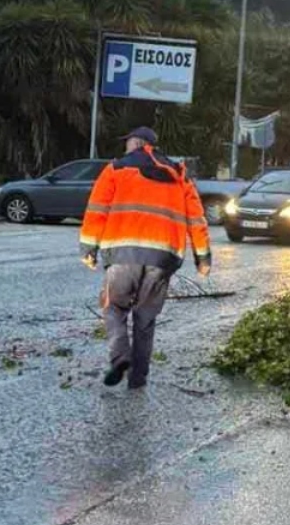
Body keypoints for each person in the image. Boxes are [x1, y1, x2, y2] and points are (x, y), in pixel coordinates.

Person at [79, 127, 211, 389]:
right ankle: (138, 379)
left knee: (114, 307)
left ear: (137, 144)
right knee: (145, 318)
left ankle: (120, 356)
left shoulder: (115, 169)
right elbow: (196, 219)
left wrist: (88, 250)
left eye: (127, 143)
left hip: (122, 253)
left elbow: (96, 210)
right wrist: (203, 258)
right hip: (163, 257)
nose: (124, 147)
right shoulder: (179, 175)